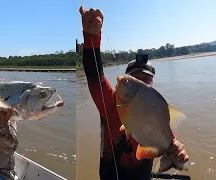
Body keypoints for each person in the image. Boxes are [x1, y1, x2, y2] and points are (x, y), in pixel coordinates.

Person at [79, 6, 189, 180]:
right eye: (134, 79)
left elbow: (168, 140)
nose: (140, 83)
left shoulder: (157, 109)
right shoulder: (110, 101)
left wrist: (177, 149)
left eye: (145, 81)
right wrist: (92, 37)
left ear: (151, 84)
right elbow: (95, 77)